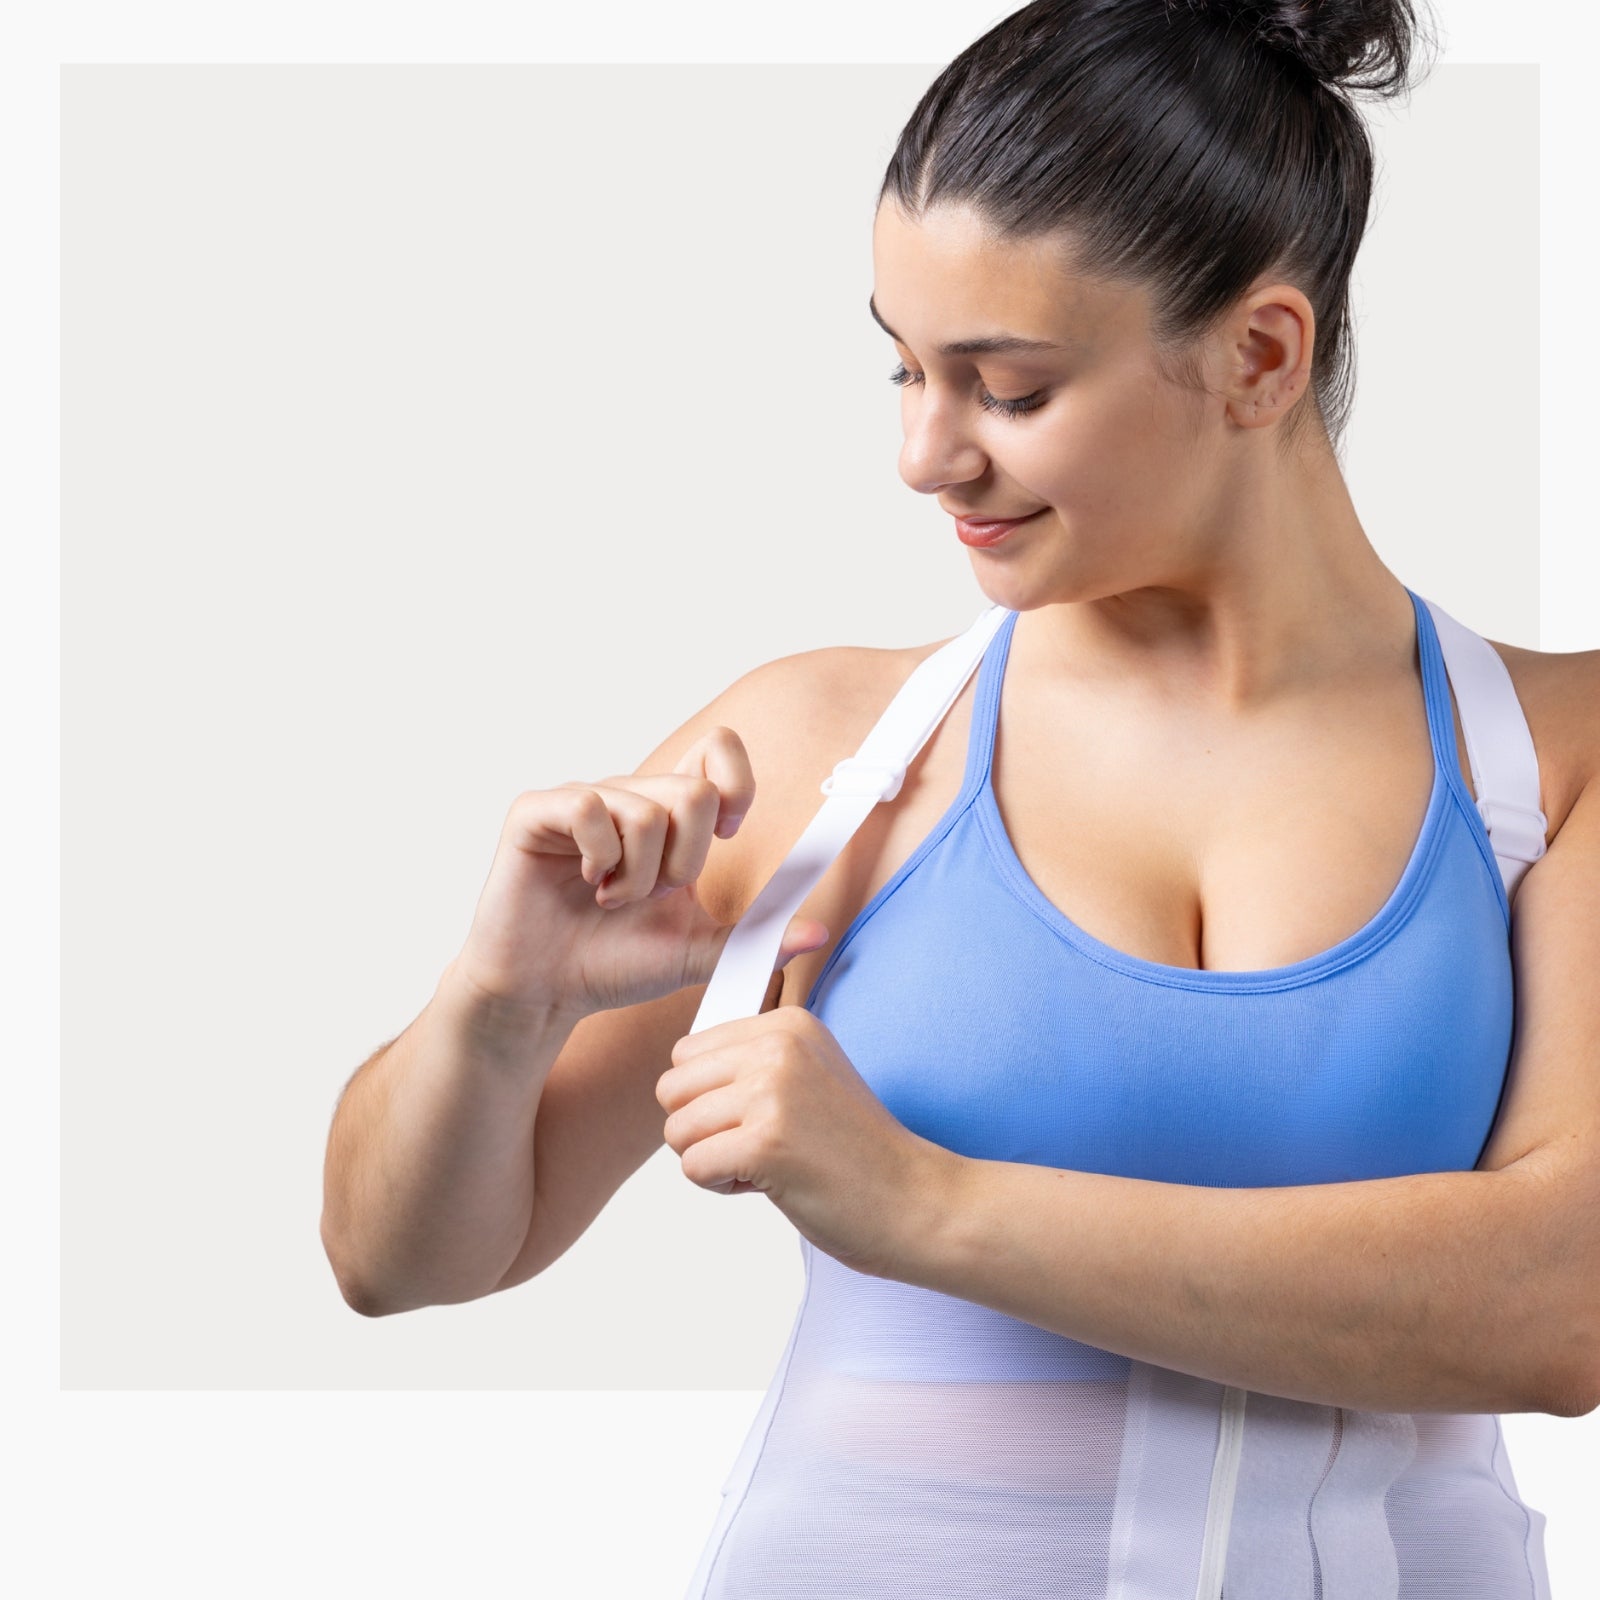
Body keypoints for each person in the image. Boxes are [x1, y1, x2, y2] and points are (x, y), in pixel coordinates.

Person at [320, 0, 1599, 1593]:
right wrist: (499, 1008)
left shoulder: (1551, 759)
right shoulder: (825, 757)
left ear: (1261, 356)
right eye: (904, 366)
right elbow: (399, 1262)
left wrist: (925, 1204)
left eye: (1008, 389)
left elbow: (1565, 1306)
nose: (925, 455)